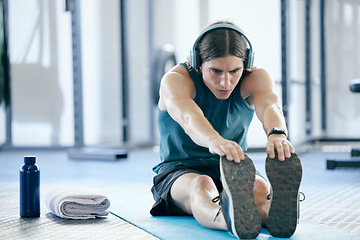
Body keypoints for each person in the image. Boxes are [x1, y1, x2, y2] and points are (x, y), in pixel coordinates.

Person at [150, 20, 303, 239]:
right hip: (179, 172)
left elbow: (270, 105)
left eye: (234, 71)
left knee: (258, 187)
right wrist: (214, 140)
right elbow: (188, 117)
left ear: (246, 64)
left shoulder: (256, 77)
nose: (225, 82)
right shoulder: (176, 80)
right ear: (197, 62)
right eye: (216, 71)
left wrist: (277, 133)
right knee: (201, 184)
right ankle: (228, 218)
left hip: (234, 168)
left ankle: (272, 215)